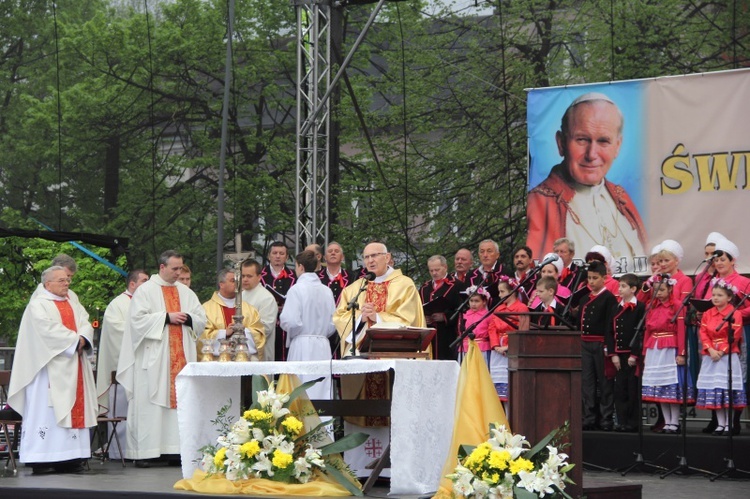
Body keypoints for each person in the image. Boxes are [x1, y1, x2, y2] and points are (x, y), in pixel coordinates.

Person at [526, 93, 647, 271]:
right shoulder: (541, 202)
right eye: (582, 139)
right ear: (561, 143)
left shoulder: (621, 198)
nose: (592, 154)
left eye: (604, 141)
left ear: (617, 147)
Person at [117, 250, 207, 467]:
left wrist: (188, 320)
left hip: (181, 357)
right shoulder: (145, 291)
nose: (178, 272)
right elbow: (136, 321)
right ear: (162, 267)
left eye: (180, 268)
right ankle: (145, 452)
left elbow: (201, 319)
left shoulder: (186, 292)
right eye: (174, 268)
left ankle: (175, 450)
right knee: (150, 405)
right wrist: (166, 317)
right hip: (154, 359)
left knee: (180, 403)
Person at [8, 266, 97, 474]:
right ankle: (41, 458)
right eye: (61, 281)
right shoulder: (37, 305)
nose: (66, 284)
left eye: (67, 280)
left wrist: (83, 337)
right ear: (47, 284)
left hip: (74, 365)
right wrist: (75, 341)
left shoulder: (73, 303)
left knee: (74, 407)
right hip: (47, 369)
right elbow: (45, 331)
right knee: (46, 412)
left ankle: (71, 457)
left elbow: (85, 322)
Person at [334, 241, 426, 355]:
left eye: (374, 255)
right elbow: (339, 317)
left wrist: (377, 317)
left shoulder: (404, 285)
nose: (370, 260)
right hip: (361, 351)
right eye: (366, 257)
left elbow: (410, 320)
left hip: (395, 351)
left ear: (387, 257)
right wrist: (361, 318)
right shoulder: (355, 288)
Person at [95, 268, 149, 459]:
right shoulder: (117, 305)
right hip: (122, 369)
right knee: (123, 412)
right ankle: (120, 453)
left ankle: (143, 451)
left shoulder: (148, 304)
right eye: (144, 281)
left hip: (145, 367)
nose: (147, 285)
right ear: (132, 284)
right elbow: (117, 332)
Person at [280, 250, 337, 400]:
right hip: (322, 345)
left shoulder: (296, 290)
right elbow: (334, 322)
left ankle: (300, 423)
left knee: (300, 387)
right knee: (321, 387)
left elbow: (290, 321)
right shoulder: (327, 291)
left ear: (300, 267)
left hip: (302, 344)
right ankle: (324, 422)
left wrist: (294, 333)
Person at [641, 274, 693, 434]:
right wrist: (645, 352)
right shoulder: (651, 307)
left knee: (671, 385)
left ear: (670, 288)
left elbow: (682, 331)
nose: (659, 293)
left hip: (670, 348)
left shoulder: (677, 305)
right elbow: (647, 331)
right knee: (660, 386)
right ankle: (667, 421)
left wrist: (682, 352)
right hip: (654, 348)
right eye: (656, 290)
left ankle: (675, 422)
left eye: (662, 289)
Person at [696, 280, 747, 435]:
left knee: (727, 388)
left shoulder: (735, 313)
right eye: (714, 295)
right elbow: (703, 333)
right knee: (715, 389)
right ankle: (721, 424)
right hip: (711, 355)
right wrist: (710, 349)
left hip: (727, 356)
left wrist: (722, 351)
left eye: (720, 295)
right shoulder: (707, 314)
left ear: (729, 297)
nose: (715, 298)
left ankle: (730, 424)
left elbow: (735, 334)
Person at [576, 260, 618, 431]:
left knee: (605, 382)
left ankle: (606, 418)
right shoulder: (584, 298)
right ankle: (589, 416)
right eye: (589, 278)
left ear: (604, 278)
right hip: (585, 343)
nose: (591, 282)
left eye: (595, 278)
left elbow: (610, 324)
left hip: (600, 343)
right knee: (587, 382)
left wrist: (609, 346)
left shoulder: (609, 298)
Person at [201, 268, 265, 361]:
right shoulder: (206, 309)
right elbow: (201, 335)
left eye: (238, 281)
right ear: (221, 284)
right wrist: (224, 333)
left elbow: (259, 334)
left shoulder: (250, 309)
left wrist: (243, 332)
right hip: (217, 360)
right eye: (233, 281)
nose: (237, 284)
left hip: (244, 359)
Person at [610, 273, 645, 432]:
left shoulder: (640, 308)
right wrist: (613, 354)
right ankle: (621, 420)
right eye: (619, 286)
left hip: (632, 355)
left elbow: (640, 333)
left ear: (633, 289)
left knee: (633, 388)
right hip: (619, 354)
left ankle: (633, 422)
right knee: (620, 389)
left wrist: (634, 354)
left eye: (623, 286)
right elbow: (609, 331)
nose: (620, 289)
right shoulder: (615, 307)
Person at [489, 277, 529, 413]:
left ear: (512, 292)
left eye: (502, 292)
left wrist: (508, 346)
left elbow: (523, 330)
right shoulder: (499, 308)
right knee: (498, 389)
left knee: (511, 387)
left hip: (511, 350)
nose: (499, 295)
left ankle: (511, 418)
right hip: (498, 351)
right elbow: (492, 327)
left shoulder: (521, 308)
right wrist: (495, 346)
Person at [419, 255, 465, 361]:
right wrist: (424, 317)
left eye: (437, 270)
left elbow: (463, 310)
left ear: (445, 267)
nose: (434, 273)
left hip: (448, 335)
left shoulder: (457, 285)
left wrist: (444, 316)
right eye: (431, 270)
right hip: (429, 334)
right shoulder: (424, 288)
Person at [260, 241, 297, 360]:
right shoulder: (259, 276)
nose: (277, 256)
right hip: (266, 323)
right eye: (274, 253)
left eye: (281, 253)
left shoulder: (295, 276)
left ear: (286, 257)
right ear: (269, 256)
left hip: (286, 326)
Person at [241, 259, 278, 361]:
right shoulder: (239, 296)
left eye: (249, 276)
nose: (245, 279)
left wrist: (239, 331)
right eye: (243, 276)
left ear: (259, 277)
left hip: (259, 355)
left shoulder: (266, 298)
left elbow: (265, 328)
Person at [457, 286, 500, 366]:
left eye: (477, 301)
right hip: (465, 348)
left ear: (484, 302)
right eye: (471, 301)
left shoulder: (488, 315)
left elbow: (492, 332)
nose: (473, 304)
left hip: (482, 348)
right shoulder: (464, 315)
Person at [468, 239, 511, 304]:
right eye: (482, 252)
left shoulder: (506, 273)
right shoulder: (470, 275)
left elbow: (509, 299)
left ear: (497, 255)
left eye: (489, 251)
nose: (485, 255)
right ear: (479, 255)